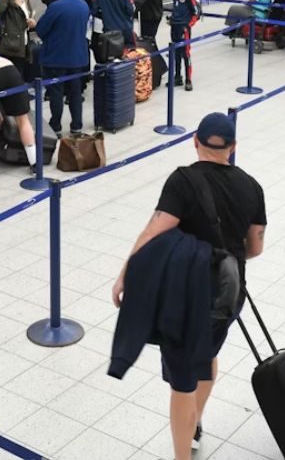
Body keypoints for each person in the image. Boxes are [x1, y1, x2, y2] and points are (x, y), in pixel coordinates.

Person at [110, 112, 266, 460]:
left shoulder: (182, 181)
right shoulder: (252, 187)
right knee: (207, 355)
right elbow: (255, 248)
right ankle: (195, 423)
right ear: (233, 147)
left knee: (182, 376)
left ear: (194, 142)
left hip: (185, 296)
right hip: (228, 294)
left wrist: (126, 274)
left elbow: (153, 232)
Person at [36, 0, 90, 136]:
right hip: (78, 57)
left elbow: (41, 30)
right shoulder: (83, 5)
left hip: (56, 59)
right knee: (75, 93)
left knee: (56, 94)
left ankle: (56, 126)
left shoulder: (56, 6)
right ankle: (77, 126)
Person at [169, 0, 201, 90]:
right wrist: (172, 20)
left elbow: (196, 12)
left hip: (184, 28)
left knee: (185, 53)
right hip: (174, 27)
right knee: (175, 53)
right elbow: (176, 10)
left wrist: (188, 25)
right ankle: (177, 77)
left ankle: (188, 79)